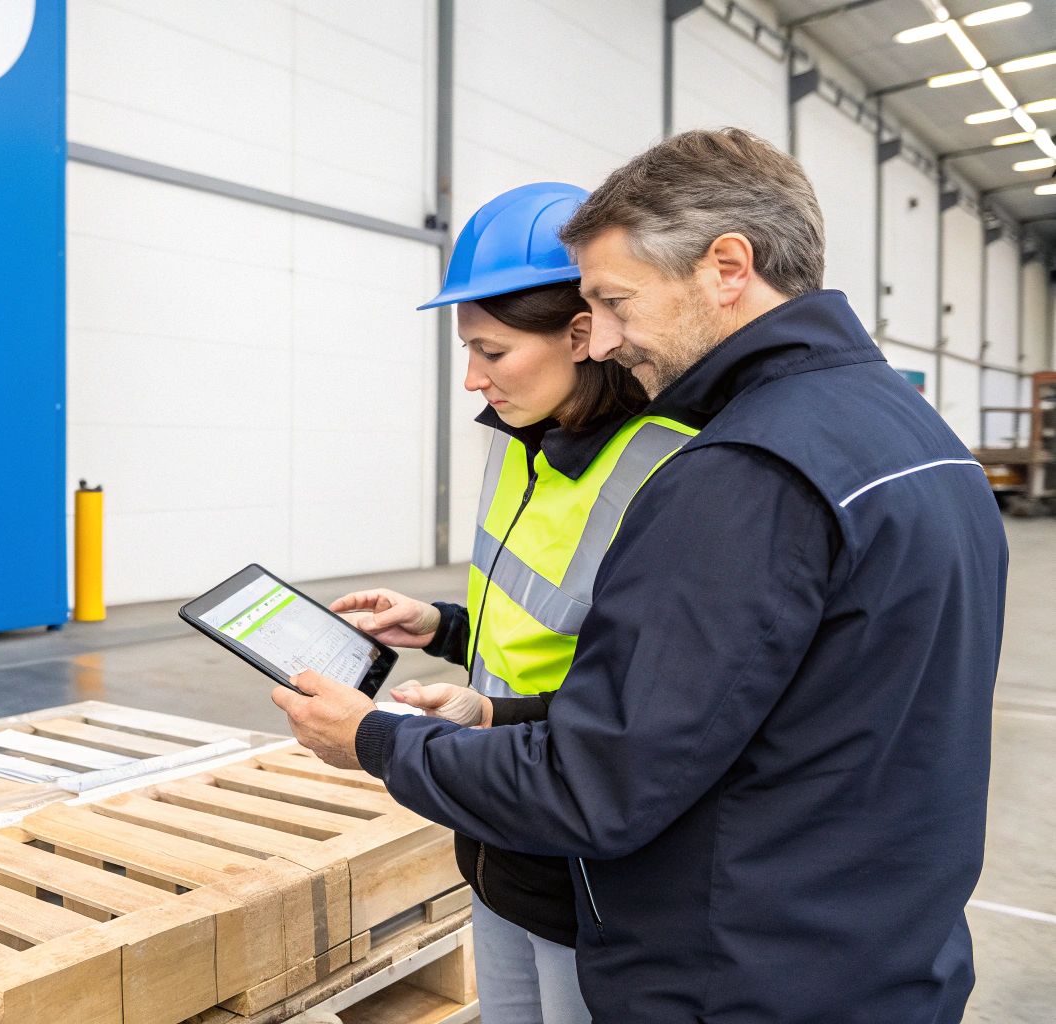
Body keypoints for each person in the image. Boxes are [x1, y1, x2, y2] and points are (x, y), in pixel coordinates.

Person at [271, 128, 1007, 1023]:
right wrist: (487, 699)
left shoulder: (744, 472)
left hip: (743, 974)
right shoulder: (913, 439)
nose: (604, 337)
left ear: (726, 267)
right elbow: (754, 710)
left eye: (616, 301)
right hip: (871, 949)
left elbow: (598, 783)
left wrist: (374, 742)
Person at [332, 181, 695, 1024]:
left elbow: (658, 709)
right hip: (496, 840)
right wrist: (443, 627)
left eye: (492, 352)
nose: (472, 379)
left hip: (589, 873)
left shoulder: (674, 470)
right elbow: (542, 621)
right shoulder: (519, 444)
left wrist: (462, 723)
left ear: (581, 333)